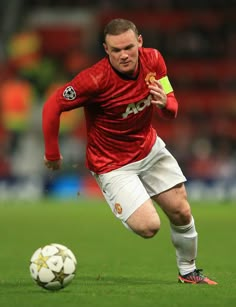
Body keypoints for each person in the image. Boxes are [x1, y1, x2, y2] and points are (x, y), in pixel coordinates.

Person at [42, 18, 217, 285]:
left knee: (181, 211)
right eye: (116, 50)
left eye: (128, 48)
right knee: (149, 227)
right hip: (112, 164)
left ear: (140, 42)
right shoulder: (94, 80)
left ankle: (188, 272)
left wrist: (166, 105)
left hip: (149, 148)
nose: (124, 55)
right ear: (106, 49)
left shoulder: (155, 60)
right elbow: (52, 106)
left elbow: (172, 104)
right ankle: (123, 195)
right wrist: (53, 154)